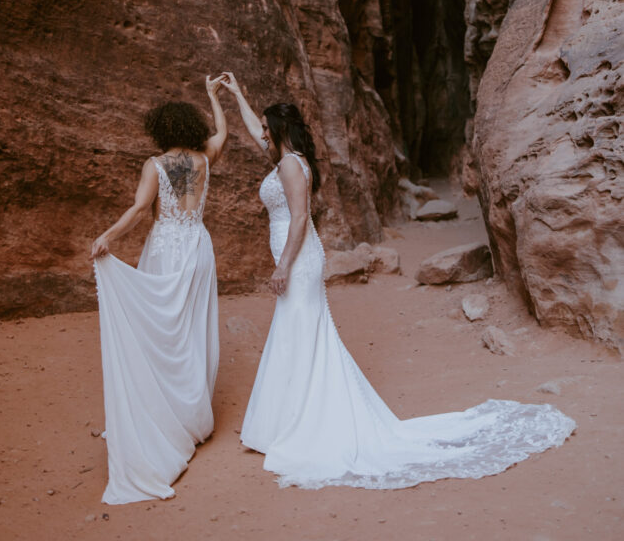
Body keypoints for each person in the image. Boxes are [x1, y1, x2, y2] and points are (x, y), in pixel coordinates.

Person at [220, 71, 576, 490]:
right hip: (295, 258)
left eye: (266, 127)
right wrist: (236, 92)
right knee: (297, 335)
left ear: (279, 130)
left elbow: (300, 217)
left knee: (301, 334)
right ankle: (287, 422)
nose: (261, 133)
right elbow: (253, 134)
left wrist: (282, 265)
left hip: (298, 259)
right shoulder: (284, 159)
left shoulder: (290, 167)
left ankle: (306, 425)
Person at [91, 75, 227, 504]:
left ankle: (165, 418)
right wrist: (213, 98)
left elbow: (137, 210)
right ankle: (193, 418)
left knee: (160, 332)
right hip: (199, 248)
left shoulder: (155, 165)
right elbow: (222, 134)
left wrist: (108, 236)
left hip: (167, 249)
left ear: (160, 131)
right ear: (190, 129)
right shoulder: (205, 159)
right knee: (192, 330)